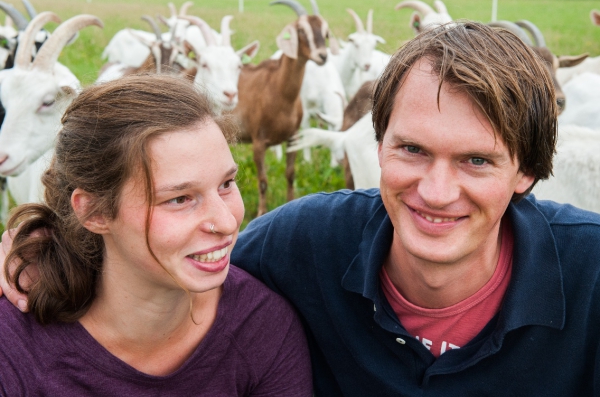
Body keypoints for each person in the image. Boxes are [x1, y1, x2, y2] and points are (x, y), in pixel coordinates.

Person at [2, 21, 599, 395]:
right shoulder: (304, 242)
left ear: (526, 171)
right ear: (376, 142)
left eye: (477, 161)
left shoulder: (592, 271)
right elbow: (173, 247)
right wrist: (36, 247)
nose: (436, 192)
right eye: (412, 150)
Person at [0, 74, 312, 395]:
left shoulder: (261, 329)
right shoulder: (14, 346)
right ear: (94, 212)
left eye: (226, 184)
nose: (227, 222)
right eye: (179, 199)